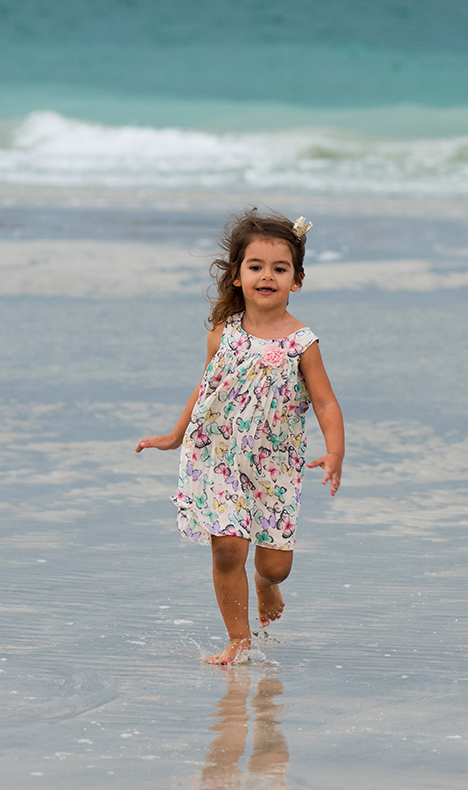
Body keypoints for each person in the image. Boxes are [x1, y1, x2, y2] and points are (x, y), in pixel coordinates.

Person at [136, 209, 345, 665]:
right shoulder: (222, 335)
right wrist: (174, 436)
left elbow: (326, 403)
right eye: (256, 266)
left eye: (279, 268)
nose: (266, 276)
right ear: (236, 276)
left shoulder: (302, 343)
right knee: (228, 548)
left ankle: (265, 585)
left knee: (275, 565)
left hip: (274, 465)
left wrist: (334, 452)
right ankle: (238, 639)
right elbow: (208, 388)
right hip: (219, 456)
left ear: (297, 279)